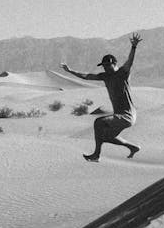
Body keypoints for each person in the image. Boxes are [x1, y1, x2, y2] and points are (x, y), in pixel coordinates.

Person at [61, 33, 142, 162]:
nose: (106, 68)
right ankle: (133, 147)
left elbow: (129, 62)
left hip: (127, 115)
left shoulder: (123, 73)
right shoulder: (105, 76)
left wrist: (133, 47)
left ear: (114, 64)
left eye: (108, 65)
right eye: (104, 66)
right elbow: (86, 76)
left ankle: (96, 155)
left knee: (98, 122)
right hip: (119, 115)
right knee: (106, 137)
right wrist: (70, 71)